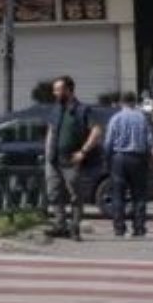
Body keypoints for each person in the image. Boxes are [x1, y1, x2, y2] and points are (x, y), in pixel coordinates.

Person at [43, 75, 102, 241]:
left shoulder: (82, 110)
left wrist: (83, 151)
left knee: (75, 195)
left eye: (58, 89)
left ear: (68, 90)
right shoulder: (56, 109)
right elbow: (50, 130)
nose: (55, 93)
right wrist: (47, 153)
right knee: (54, 194)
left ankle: (75, 228)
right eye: (54, 90)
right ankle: (60, 225)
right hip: (53, 160)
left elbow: (96, 131)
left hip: (71, 161)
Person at [104, 90, 153, 238]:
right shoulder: (142, 118)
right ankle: (139, 227)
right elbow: (150, 141)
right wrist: (149, 157)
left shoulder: (115, 118)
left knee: (118, 194)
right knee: (139, 194)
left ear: (121, 102)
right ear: (135, 102)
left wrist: (107, 159)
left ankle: (119, 228)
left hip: (119, 158)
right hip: (138, 158)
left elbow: (108, 142)